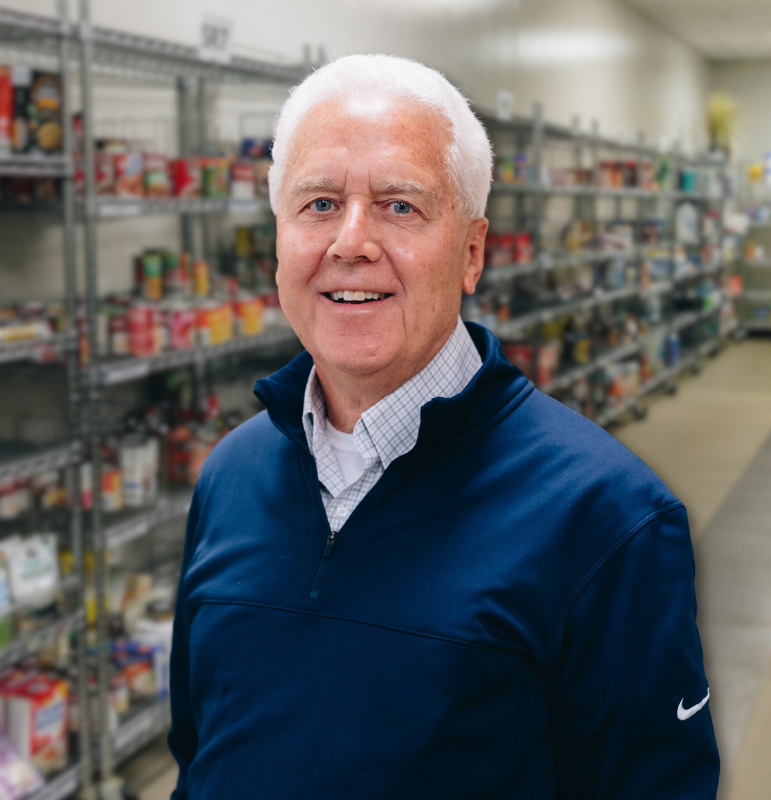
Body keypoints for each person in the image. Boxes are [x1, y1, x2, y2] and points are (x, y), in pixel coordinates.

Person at [168, 54, 719, 799]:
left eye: (400, 206)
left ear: (471, 253)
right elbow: (199, 752)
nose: (350, 242)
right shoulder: (231, 475)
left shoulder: (607, 517)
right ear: (278, 241)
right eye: (319, 203)